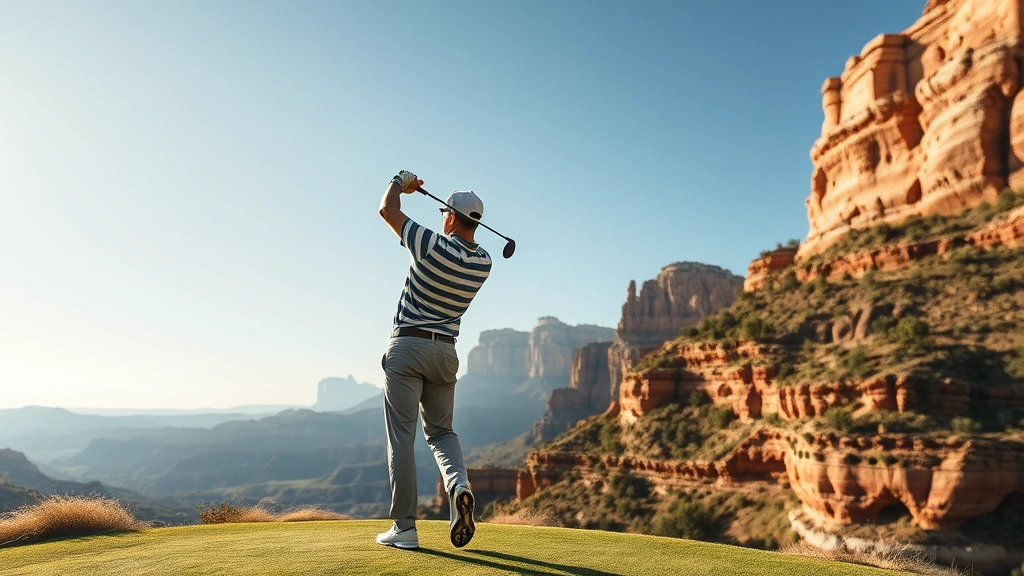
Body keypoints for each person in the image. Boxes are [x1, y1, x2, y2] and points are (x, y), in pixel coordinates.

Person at [375, 170, 493, 550]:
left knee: (402, 440)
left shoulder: (430, 245)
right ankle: (459, 484)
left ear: (452, 217)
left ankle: (405, 528)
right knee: (442, 433)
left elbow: (386, 211)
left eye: (445, 212)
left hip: (408, 347)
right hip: (446, 353)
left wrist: (399, 182)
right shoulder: (484, 262)